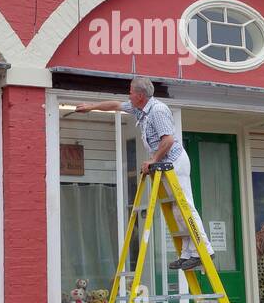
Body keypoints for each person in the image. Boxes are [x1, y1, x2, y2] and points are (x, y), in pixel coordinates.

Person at [72, 77, 213, 271]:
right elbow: (115, 105)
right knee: (176, 209)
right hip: (165, 164)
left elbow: (168, 140)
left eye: (130, 92)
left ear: (139, 95)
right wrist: (91, 106)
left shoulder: (157, 110)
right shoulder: (139, 107)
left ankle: (204, 249)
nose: (128, 95)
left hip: (174, 162)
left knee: (185, 205)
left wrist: (153, 159)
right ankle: (188, 253)